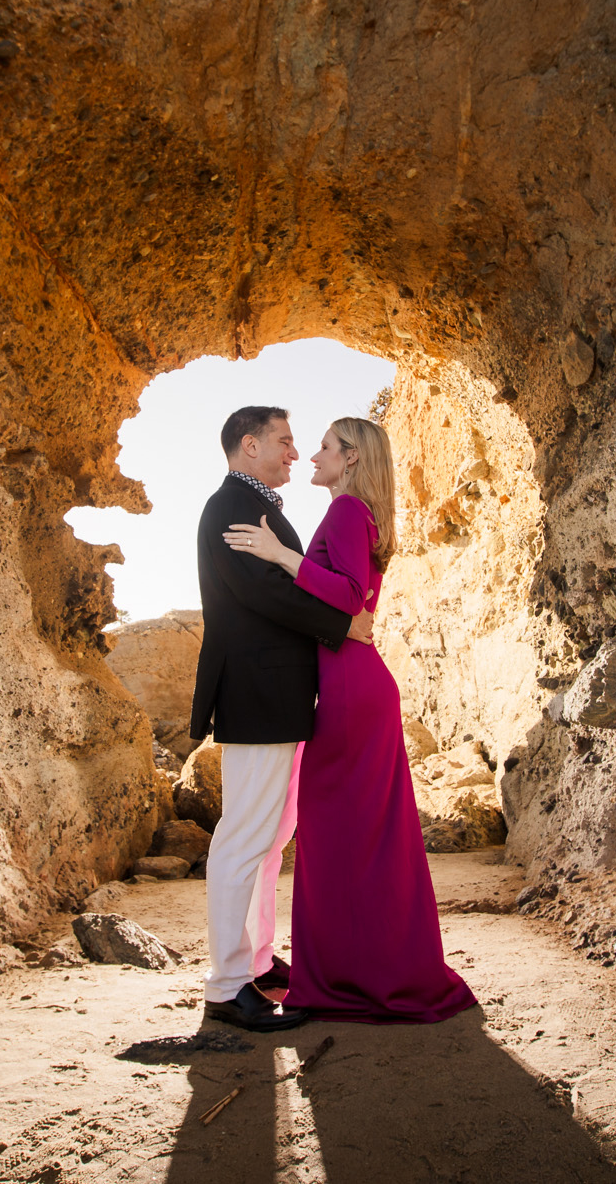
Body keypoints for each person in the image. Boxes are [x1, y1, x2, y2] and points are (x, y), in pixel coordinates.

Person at [224, 417, 476, 1023]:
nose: (312, 454)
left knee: (338, 837)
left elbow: (348, 594)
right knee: (364, 837)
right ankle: (372, 966)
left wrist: (280, 555)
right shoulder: (360, 514)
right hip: (356, 683)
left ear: (353, 458)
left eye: (327, 447)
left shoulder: (344, 513)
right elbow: (351, 600)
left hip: (349, 688)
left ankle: (349, 975)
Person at [192, 405, 375, 1033]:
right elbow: (264, 594)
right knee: (244, 838)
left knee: (268, 841)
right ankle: (225, 985)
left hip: (280, 697)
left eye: (300, 443)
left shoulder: (255, 504)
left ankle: (259, 961)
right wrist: (343, 624)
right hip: (258, 696)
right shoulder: (230, 507)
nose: (295, 453)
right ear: (249, 445)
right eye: (284, 441)